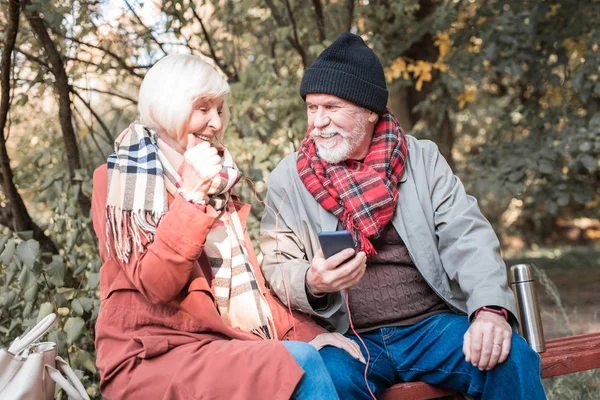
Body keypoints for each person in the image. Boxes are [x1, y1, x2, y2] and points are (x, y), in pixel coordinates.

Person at [260, 33, 546, 399]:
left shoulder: (422, 158)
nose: (317, 122)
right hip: (351, 337)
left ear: (369, 111)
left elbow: (467, 236)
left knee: (509, 357)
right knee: (320, 378)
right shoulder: (288, 177)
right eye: (312, 107)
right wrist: (312, 283)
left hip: (431, 328)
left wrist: (490, 310)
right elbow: (277, 262)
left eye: (331, 107)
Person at [91, 54, 364, 400]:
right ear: (168, 107)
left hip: (216, 344)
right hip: (150, 355)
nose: (216, 123)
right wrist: (190, 196)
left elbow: (253, 292)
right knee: (299, 362)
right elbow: (155, 285)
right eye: (203, 109)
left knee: (340, 361)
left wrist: (310, 334)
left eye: (219, 110)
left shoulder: (218, 185)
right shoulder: (118, 182)